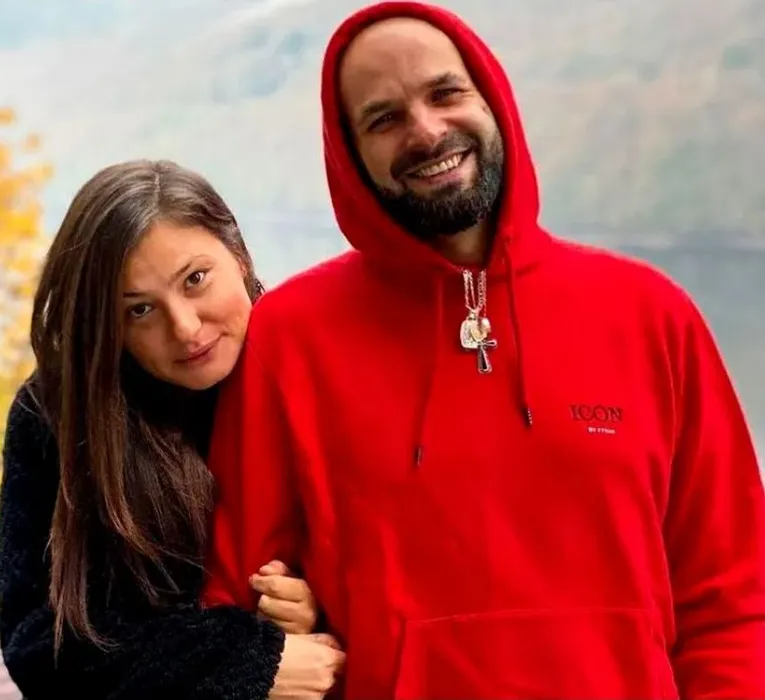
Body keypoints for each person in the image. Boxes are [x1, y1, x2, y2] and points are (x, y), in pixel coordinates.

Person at [201, 2, 765, 699]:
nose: (426, 131)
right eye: (384, 118)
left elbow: (731, 602)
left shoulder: (652, 317)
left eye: (445, 93)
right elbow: (238, 600)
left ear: (492, 99)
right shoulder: (290, 338)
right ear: (348, 152)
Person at [0, 159, 346, 700]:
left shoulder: (319, 373)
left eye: (195, 280)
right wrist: (246, 658)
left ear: (238, 253)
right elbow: (40, 649)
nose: (184, 328)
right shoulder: (59, 414)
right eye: (140, 311)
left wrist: (317, 607)